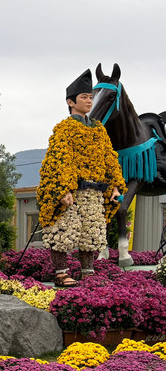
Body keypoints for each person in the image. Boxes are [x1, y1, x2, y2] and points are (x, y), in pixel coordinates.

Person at [37, 69, 124, 287]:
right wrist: (63, 189)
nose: (88, 101)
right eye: (83, 97)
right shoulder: (64, 129)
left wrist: (115, 186)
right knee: (64, 230)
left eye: (90, 97)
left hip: (95, 192)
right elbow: (58, 159)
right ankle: (61, 272)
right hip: (73, 191)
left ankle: (88, 271)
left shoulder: (99, 130)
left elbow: (110, 158)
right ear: (70, 102)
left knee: (91, 232)